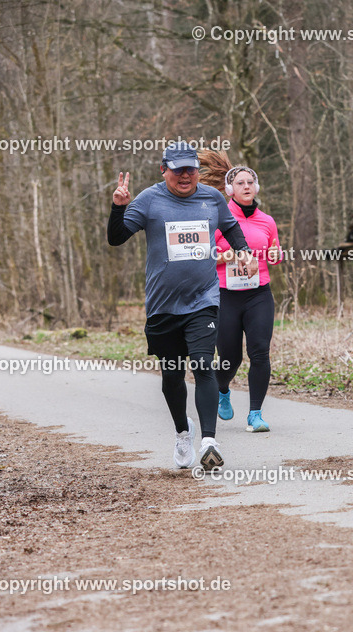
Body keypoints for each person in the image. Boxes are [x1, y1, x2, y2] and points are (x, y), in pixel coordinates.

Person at [106, 141, 257, 471]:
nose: (186, 176)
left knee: (203, 365)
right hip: (162, 306)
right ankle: (181, 432)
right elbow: (116, 238)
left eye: (191, 169)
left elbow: (231, 228)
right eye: (178, 170)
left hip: (203, 300)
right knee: (172, 375)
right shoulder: (149, 200)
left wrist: (243, 251)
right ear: (164, 170)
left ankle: (209, 442)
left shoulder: (212, 198)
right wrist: (119, 207)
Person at [198, 151, 282, 432]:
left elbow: (275, 255)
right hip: (225, 295)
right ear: (230, 189)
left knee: (260, 353)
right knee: (231, 358)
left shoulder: (267, 221)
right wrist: (226, 257)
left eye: (251, 182)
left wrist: (274, 253)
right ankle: (223, 389)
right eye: (241, 183)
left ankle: (255, 415)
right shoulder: (217, 217)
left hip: (259, 294)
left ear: (256, 188)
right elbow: (203, 254)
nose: (247, 186)